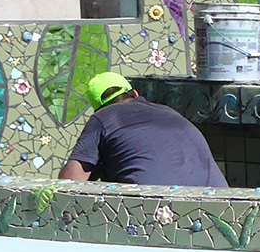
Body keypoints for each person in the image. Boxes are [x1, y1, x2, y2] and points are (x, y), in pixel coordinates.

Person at [59, 72, 229, 188]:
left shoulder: (103, 117)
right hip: (220, 202)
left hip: (157, 210)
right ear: (135, 93)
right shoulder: (168, 111)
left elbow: (70, 183)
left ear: (98, 108)